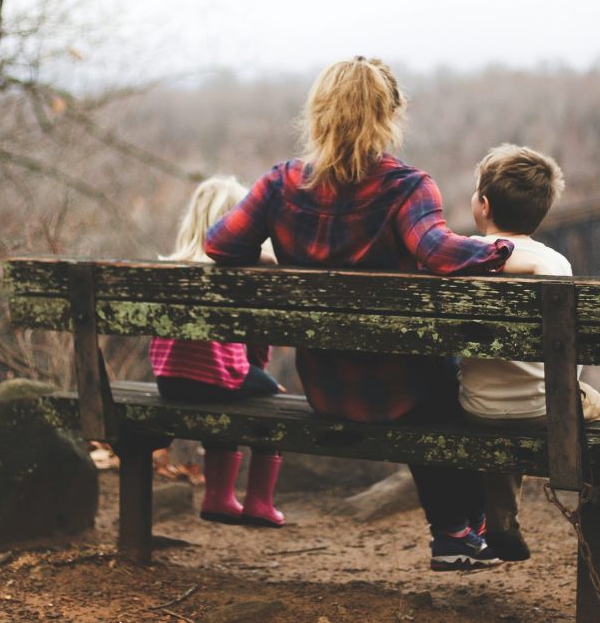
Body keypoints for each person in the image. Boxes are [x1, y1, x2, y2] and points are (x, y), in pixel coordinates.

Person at [205, 57, 514, 570]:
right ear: (390, 115)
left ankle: (463, 532)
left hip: (326, 389)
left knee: (433, 379)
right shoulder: (406, 187)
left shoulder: (280, 184)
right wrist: (501, 249)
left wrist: (270, 259)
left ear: (318, 114)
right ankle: (460, 530)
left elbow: (219, 245)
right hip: (404, 393)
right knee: (449, 382)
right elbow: (438, 252)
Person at [457, 143, 600, 582]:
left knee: (501, 418)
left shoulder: (460, 257)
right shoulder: (555, 264)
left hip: (477, 407)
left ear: (483, 205)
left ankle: (501, 524)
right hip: (548, 407)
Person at [150, 175, 285, 528]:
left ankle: (219, 497)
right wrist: (262, 375)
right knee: (271, 399)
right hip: (218, 379)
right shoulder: (237, 272)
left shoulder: (170, 267)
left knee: (226, 390)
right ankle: (258, 503)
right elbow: (256, 341)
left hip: (169, 381)